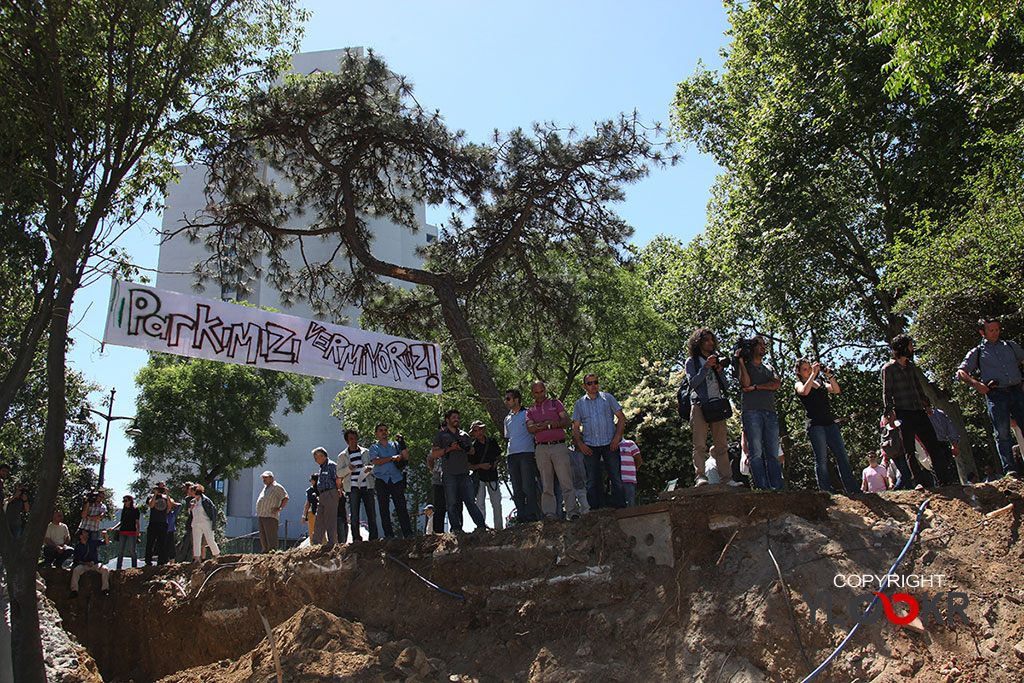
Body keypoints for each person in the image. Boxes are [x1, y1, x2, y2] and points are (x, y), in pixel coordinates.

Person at [882, 334, 955, 487]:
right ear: (902, 347)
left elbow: (918, 388)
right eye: (910, 345)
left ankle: (943, 479)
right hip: (903, 412)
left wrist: (926, 404)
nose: (912, 348)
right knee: (909, 449)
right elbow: (887, 393)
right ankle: (919, 482)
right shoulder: (888, 369)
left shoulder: (911, 366)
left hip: (918, 410)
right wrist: (890, 414)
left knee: (933, 444)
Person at [957, 317, 1024, 478]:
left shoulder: (1011, 346)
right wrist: (977, 384)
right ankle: (1010, 470)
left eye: (997, 329)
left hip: (1017, 391)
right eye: (991, 330)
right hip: (996, 395)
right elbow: (961, 372)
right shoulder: (978, 352)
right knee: (1002, 433)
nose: (996, 333)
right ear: (983, 332)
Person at [684, 329, 741, 487]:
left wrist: (719, 370)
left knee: (722, 445)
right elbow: (693, 383)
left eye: (712, 340)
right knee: (700, 444)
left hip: (717, 404)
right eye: (706, 340)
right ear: (699, 343)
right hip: (700, 405)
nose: (710, 343)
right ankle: (700, 477)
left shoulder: (716, 361)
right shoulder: (692, 361)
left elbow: (726, 385)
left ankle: (727, 479)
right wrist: (706, 367)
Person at [794, 359, 858, 493]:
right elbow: (804, 392)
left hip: (829, 422)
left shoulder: (820, 382)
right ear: (799, 372)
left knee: (842, 455)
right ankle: (825, 491)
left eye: (809, 368)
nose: (809, 371)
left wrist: (829, 375)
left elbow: (836, 390)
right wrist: (813, 375)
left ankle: (853, 489)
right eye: (805, 369)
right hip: (815, 425)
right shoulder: (799, 384)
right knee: (822, 459)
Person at [572, 373, 627, 509]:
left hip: (610, 444)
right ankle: (596, 510)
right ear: (585, 386)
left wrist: (617, 438)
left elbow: (621, 418)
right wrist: (580, 444)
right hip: (590, 446)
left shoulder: (608, 398)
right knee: (592, 480)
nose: (593, 386)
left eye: (595, 382)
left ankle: (620, 507)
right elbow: (575, 426)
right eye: (589, 383)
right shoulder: (579, 404)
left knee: (615, 477)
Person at [526, 382, 580, 520]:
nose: (540, 395)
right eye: (536, 392)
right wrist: (550, 424)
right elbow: (530, 428)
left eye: (542, 391)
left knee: (566, 481)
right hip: (541, 448)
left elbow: (566, 420)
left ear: (545, 390)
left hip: (559, 446)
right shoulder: (530, 410)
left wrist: (547, 424)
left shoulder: (556, 404)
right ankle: (550, 514)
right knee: (546, 483)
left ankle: (572, 512)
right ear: (532, 393)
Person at [736, 336, 784, 490]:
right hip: (751, 412)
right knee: (755, 452)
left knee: (773, 453)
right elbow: (745, 384)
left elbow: (777, 384)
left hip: (770, 412)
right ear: (753, 347)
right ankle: (762, 488)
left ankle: (777, 487)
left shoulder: (769, 367)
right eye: (760, 344)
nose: (763, 347)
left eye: (764, 344)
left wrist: (757, 387)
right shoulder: (745, 366)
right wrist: (741, 362)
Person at [431, 410, 487, 532]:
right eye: (454, 417)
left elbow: (472, 451)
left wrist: (463, 447)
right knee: (451, 504)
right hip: (449, 474)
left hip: (464, 474)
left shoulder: (464, 435)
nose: (456, 419)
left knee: (471, 502)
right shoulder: (441, 435)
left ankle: (481, 526)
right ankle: (456, 529)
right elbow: (434, 453)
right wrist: (449, 448)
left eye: (458, 417)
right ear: (447, 420)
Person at [368, 424, 413, 538]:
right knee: (384, 509)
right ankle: (389, 535)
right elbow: (375, 461)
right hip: (381, 480)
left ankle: (408, 534)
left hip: (396, 479)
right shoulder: (374, 448)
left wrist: (403, 444)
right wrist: (391, 458)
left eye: (385, 430)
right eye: (381, 430)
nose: (384, 432)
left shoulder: (395, 445)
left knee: (401, 507)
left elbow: (405, 457)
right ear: (376, 434)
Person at [503, 389, 539, 524]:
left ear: (516, 400)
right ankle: (521, 516)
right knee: (517, 487)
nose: (506, 401)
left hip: (526, 453)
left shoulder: (527, 414)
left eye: (508, 399)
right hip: (511, 455)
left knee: (528, 485)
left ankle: (531, 515)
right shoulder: (507, 418)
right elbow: (507, 437)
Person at [339, 430, 377, 542]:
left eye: (355, 438)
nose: (354, 441)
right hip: (353, 487)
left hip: (367, 486)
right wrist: (348, 469)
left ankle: (373, 537)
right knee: (354, 514)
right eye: (351, 439)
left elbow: (376, 466)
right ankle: (356, 538)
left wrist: (371, 469)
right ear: (347, 441)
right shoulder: (342, 456)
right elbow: (339, 473)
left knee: (371, 513)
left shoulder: (366, 452)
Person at [469, 420, 503, 530]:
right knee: (480, 504)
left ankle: (499, 528)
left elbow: (499, 456)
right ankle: (481, 528)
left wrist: (495, 463)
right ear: (473, 433)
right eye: (476, 431)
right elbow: (470, 465)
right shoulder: (473, 447)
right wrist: (481, 466)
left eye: (480, 429)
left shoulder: (492, 442)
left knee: (497, 503)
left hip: (493, 476)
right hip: (479, 478)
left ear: (483, 429)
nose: (478, 432)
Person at [311, 446, 342, 546]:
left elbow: (337, 479)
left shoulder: (331, 465)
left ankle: (332, 542)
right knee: (319, 518)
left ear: (322, 456)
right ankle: (316, 542)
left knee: (330, 518)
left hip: (331, 493)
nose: (315, 460)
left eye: (316, 457)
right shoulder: (321, 468)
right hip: (322, 495)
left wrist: (338, 490)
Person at [70, 528, 110, 598]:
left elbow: (105, 542)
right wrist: (87, 563)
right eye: (84, 533)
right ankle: (74, 590)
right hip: (84, 565)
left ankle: (105, 589)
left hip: (95, 564)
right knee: (76, 570)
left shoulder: (92, 542)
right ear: (81, 536)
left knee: (105, 569)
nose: (87, 534)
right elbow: (77, 560)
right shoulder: (78, 547)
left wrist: (105, 535)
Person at [255, 471, 288, 552]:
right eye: (263, 478)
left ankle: (272, 552)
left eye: (266, 478)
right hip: (262, 515)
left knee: (271, 537)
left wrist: (280, 508)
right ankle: (265, 552)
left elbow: (285, 497)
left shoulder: (276, 487)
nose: (264, 479)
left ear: (271, 478)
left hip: (270, 516)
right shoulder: (265, 488)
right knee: (263, 537)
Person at [425, 424, 447, 533]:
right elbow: (429, 458)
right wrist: (433, 470)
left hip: (451, 479)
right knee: (439, 506)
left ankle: (456, 529)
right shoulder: (436, 446)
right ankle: (438, 531)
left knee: (454, 505)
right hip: (438, 480)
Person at [188, 484, 219, 561]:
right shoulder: (192, 501)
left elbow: (213, 510)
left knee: (210, 539)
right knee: (196, 541)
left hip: (206, 522)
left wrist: (213, 521)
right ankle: (197, 558)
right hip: (196, 523)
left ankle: (217, 555)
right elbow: (190, 513)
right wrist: (191, 509)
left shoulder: (205, 500)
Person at [145, 485, 171, 566]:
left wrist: (167, 494)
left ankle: (162, 561)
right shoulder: (151, 497)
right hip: (153, 522)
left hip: (163, 522)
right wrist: (155, 494)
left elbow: (169, 507)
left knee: (162, 542)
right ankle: (148, 561)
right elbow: (151, 505)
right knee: (150, 542)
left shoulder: (165, 498)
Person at [114, 495, 141, 570]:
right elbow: (121, 521)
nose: (125, 503)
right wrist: (114, 528)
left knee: (132, 550)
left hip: (132, 532)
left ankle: (134, 567)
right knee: (120, 551)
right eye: (124, 501)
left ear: (130, 501)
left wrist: (138, 532)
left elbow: (137, 522)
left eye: (126, 501)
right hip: (123, 531)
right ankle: (118, 568)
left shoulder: (135, 510)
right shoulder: (124, 510)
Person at [619, 438, 642, 507]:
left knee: (630, 504)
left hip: (629, 479)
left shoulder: (630, 443)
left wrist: (633, 470)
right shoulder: (610, 446)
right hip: (616, 480)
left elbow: (638, 459)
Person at [303, 474, 319, 540]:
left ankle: (314, 544)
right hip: (318, 511)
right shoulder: (322, 489)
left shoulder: (310, 491)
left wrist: (303, 515)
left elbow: (307, 503)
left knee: (312, 530)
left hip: (313, 512)